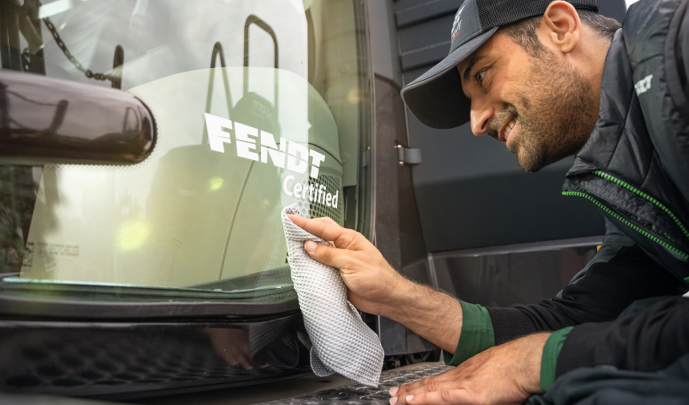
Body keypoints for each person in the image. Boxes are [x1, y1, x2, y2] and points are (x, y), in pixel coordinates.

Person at [289, 0, 689, 403]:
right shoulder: (637, 191)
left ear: (562, 27)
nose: (477, 123)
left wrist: (534, 362)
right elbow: (579, 322)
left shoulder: (678, 48)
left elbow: (553, 348)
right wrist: (395, 296)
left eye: (482, 75)